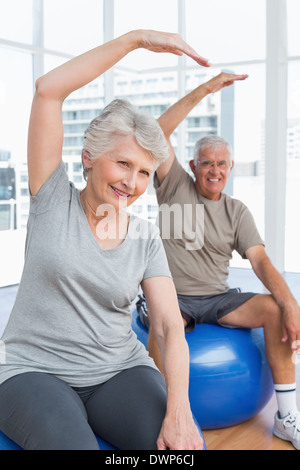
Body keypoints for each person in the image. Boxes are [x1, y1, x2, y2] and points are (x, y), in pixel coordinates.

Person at [0, 30, 210, 451]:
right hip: (32, 370)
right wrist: (133, 41)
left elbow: (169, 325)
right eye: (123, 163)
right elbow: (47, 91)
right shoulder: (51, 197)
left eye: (145, 172)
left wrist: (179, 411)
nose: (132, 183)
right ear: (89, 158)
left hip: (118, 370)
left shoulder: (146, 236)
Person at [141, 72, 300, 450]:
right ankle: (165, 416)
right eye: (207, 163)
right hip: (172, 295)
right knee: (167, 324)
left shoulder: (237, 210)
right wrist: (205, 90)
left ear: (230, 168)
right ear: (194, 167)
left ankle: (285, 417)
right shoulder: (175, 185)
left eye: (222, 164)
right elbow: (156, 133)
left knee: (274, 309)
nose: (214, 170)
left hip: (217, 298)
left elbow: (260, 262)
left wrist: (289, 302)